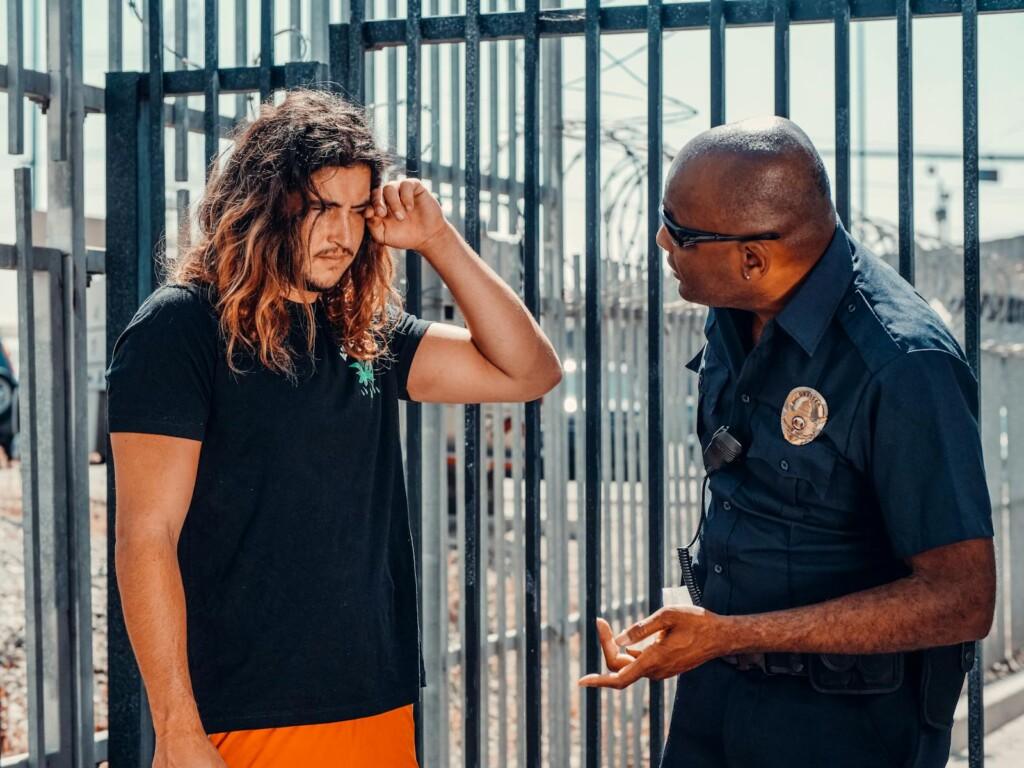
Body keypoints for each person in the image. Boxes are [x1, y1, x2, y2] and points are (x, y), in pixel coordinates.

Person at [107, 88, 562, 768]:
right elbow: (146, 536)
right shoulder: (180, 327)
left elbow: (529, 371)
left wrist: (438, 241)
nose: (343, 233)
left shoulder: (362, 331)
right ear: (262, 201)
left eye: (355, 210)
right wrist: (176, 729)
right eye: (321, 207)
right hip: (251, 713)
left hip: (376, 698)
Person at [580, 116, 995, 768]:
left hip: (848, 726)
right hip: (718, 691)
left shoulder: (901, 364)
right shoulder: (734, 305)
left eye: (680, 232)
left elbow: (962, 600)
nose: (661, 239)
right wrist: (712, 636)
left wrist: (734, 634)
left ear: (754, 256)